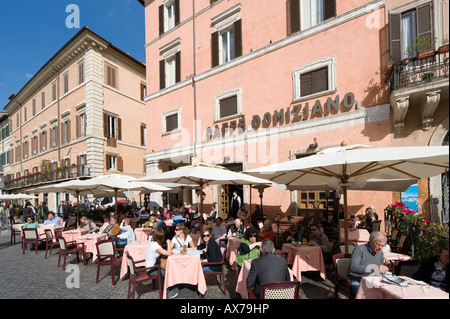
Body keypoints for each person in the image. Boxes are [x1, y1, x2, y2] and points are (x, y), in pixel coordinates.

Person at [347, 231, 389, 295]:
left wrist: (381, 273)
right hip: (358, 279)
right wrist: (375, 268)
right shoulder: (359, 249)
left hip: (372, 280)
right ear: (370, 241)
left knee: (386, 293)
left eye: (383, 245)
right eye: (378, 244)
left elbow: (378, 271)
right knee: (365, 295)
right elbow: (353, 267)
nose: (381, 248)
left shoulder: (380, 253)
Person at [145, 228, 178, 299]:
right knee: (169, 272)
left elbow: (163, 252)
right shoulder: (156, 246)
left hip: (150, 267)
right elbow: (168, 253)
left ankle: (170, 289)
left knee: (168, 270)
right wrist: (168, 243)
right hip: (151, 270)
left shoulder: (152, 243)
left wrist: (166, 251)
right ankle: (169, 292)